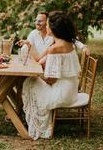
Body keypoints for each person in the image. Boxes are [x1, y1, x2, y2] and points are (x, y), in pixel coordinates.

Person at [21, 11, 81, 140]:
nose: (45, 27)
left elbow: (51, 80)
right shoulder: (67, 43)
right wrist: (30, 46)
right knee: (31, 80)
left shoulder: (56, 48)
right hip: (71, 90)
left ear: (54, 29)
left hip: (61, 93)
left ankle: (38, 126)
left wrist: (37, 74)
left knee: (29, 82)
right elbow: (39, 59)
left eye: (47, 25)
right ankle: (30, 120)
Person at [18, 12, 89, 66]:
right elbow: (26, 49)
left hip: (47, 65)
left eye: (40, 21)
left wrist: (83, 47)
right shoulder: (33, 33)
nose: (37, 23)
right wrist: (25, 46)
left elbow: (70, 39)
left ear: (48, 23)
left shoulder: (55, 35)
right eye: (36, 20)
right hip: (37, 63)